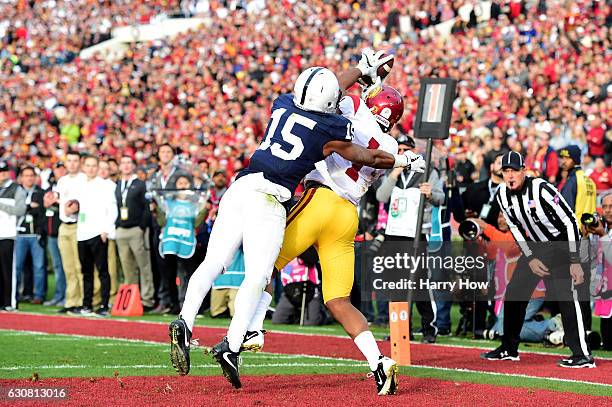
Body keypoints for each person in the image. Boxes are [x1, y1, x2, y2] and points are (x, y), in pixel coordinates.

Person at [169, 53, 422, 392]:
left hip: (318, 199)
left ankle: (250, 329)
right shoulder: (390, 143)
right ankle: (379, 362)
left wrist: (362, 71)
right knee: (338, 300)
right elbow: (374, 156)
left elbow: (336, 92)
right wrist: (402, 160)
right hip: (348, 217)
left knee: (265, 267)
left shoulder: (335, 109)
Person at [481, 151, 595, 368]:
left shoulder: (541, 188)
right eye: (506, 171)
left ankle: (582, 354)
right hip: (536, 246)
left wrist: (574, 260)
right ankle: (509, 348)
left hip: (562, 244)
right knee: (514, 293)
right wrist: (531, 257)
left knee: (568, 297)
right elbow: (514, 227)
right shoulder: (502, 194)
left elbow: (570, 222)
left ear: (524, 170)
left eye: (514, 170)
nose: (510, 175)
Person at [376, 134, 444, 343]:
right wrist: (394, 174)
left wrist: (430, 194)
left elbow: (441, 198)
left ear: (414, 152)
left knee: (420, 283)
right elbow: (381, 197)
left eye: (407, 150)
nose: (403, 154)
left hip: (416, 235)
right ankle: (400, 328)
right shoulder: (390, 171)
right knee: (395, 284)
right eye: (400, 150)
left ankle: (429, 328)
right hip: (394, 234)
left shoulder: (427, 172)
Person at [68, 155, 117, 316]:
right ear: (83, 167)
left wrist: (106, 229)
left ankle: (104, 305)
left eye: (93, 166)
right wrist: (71, 211)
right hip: (82, 232)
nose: (90, 168)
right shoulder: (79, 185)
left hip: (98, 233)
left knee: (103, 271)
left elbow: (112, 209)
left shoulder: (105, 186)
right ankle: (86, 304)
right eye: (88, 165)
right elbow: (79, 209)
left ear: (98, 167)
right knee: (86, 271)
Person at [115, 155, 155, 311]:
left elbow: (146, 208)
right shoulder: (118, 185)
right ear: (119, 166)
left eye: (128, 163)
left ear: (133, 166)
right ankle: (131, 298)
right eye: (122, 163)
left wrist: (141, 227)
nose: (125, 166)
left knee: (143, 265)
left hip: (136, 229)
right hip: (121, 229)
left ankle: (147, 299)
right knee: (127, 266)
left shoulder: (140, 184)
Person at [54, 151, 86, 314]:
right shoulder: (62, 180)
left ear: (80, 162)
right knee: (68, 267)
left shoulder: (84, 179)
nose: (72, 164)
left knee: (79, 265)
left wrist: (77, 207)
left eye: (75, 160)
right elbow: (60, 201)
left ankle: (82, 301)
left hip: (78, 225)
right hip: (63, 226)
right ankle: (71, 300)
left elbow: (85, 202)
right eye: (69, 161)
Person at [14, 166, 46, 305]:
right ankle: (14, 294)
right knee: (18, 267)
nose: (29, 178)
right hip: (19, 234)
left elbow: (43, 210)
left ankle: (38, 295)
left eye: (31, 175)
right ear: (21, 177)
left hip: (35, 235)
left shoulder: (41, 192)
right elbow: (15, 210)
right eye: (26, 175)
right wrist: (28, 207)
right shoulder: (15, 191)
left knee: (38, 266)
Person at [0, 161, 26, 311]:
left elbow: (20, 210)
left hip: (8, 234)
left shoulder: (17, 189)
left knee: (8, 269)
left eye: (4, 171)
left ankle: (10, 302)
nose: (2, 174)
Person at [43, 162, 67, 307]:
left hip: (64, 230)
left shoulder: (69, 187)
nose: (60, 171)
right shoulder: (49, 189)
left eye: (62, 168)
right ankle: (59, 295)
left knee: (67, 266)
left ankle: (68, 296)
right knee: (58, 266)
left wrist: (57, 203)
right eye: (58, 169)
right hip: (51, 233)